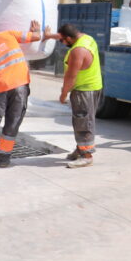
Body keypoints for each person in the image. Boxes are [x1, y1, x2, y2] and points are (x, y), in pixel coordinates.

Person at [0, 20, 60, 174]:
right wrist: (36, 30)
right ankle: (4, 159)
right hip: (20, 86)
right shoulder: (6, 34)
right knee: (13, 122)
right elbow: (35, 37)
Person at [57, 23, 102, 168]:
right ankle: (80, 148)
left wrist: (63, 94)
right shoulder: (87, 38)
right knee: (81, 120)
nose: (62, 43)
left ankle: (87, 156)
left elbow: (70, 77)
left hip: (84, 91)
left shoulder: (77, 51)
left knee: (83, 122)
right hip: (93, 87)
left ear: (69, 38)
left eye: (62, 40)